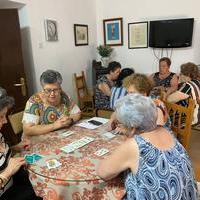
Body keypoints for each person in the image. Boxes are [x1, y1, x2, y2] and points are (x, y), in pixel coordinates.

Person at [97, 93, 198, 199]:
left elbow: (103, 173)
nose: (118, 128)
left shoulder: (135, 145)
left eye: (119, 124)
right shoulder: (166, 130)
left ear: (133, 128)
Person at [0, 87, 41, 199]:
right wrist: (6, 173)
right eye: (1, 117)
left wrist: (16, 147)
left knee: (41, 185)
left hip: (14, 181)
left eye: (5, 115)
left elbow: (2, 155)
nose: (5, 121)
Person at [23, 69, 81, 136]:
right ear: (42, 88)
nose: (52, 94)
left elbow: (77, 113)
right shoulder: (35, 101)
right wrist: (55, 125)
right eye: (48, 90)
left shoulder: (64, 96)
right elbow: (28, 130)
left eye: (55, 89)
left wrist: (70, 120)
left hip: (60, 136)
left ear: (60, 88)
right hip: (38, 140)